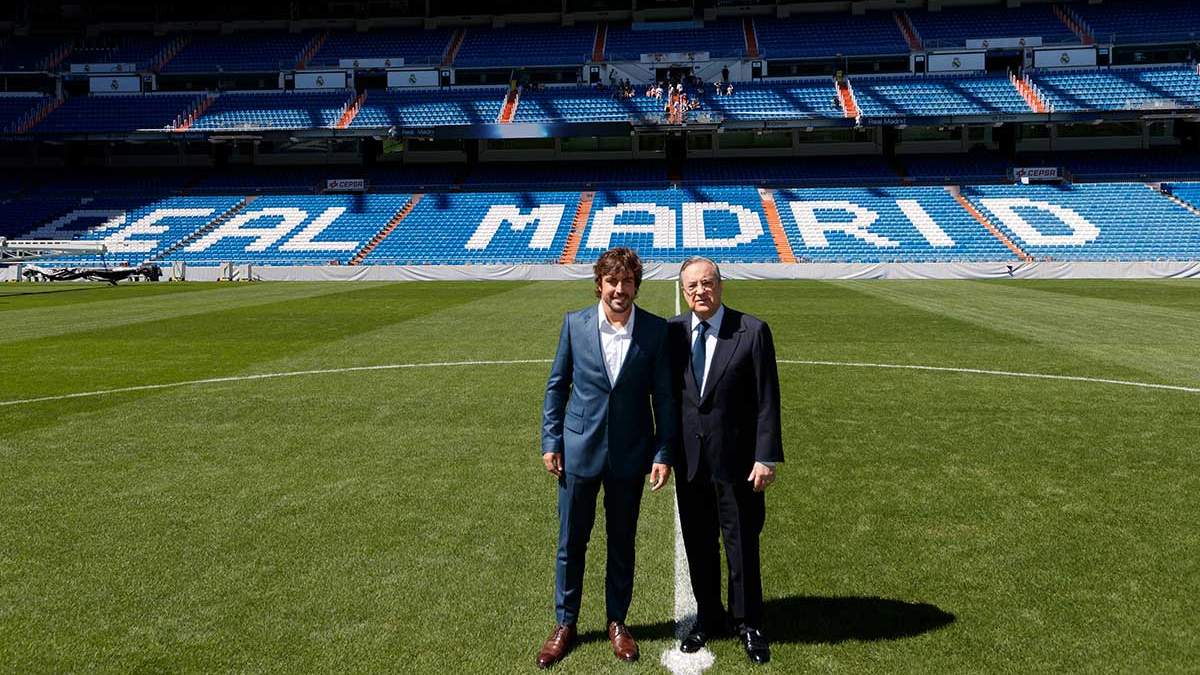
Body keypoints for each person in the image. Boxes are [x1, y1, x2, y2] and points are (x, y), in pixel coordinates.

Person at [537, 247, 676, 669]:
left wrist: (663, 451)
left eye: (627, 281)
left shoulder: (655, 330)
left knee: (622, 543)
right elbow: (557, 387)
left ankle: (618, 622)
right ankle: (565, 624)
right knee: (570, 543)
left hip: (630, 454)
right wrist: (552, 440)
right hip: (578, 450)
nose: (619, 289)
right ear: (599, 284)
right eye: (612, 281)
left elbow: (665, 398)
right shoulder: (575, 325)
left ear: (636, 285)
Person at [668, 256, 783, 665]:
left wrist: (765, 455)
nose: (700, 291)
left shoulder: (751, 331)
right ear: (684, 292)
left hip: (737, 462)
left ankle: (749, 621)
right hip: (691, 462)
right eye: (692, 286)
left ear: (720, 284)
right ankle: (709, 617)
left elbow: (767, 398)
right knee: (699, 545)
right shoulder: (672, 333)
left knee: (741, 544)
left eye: (707, 283)